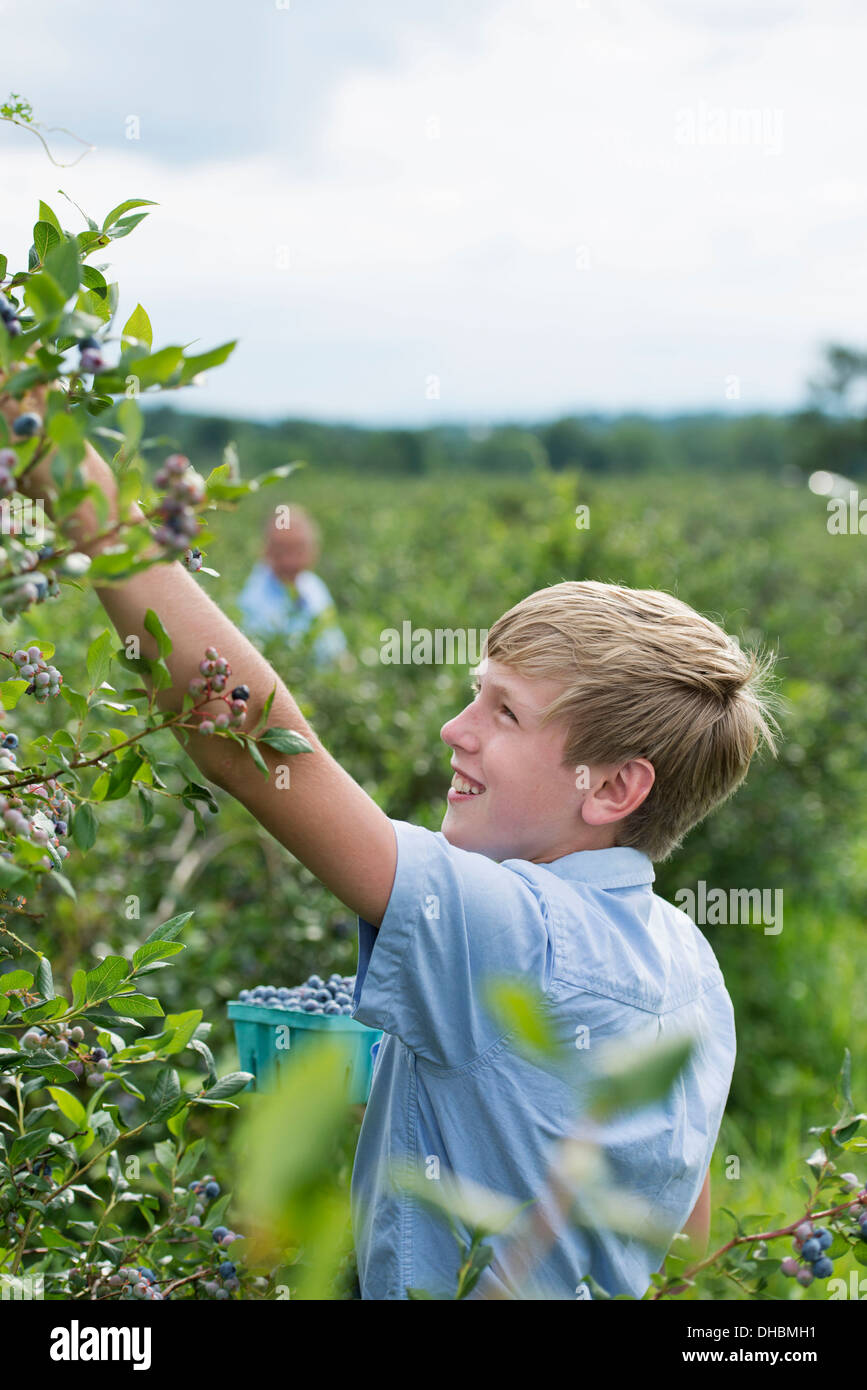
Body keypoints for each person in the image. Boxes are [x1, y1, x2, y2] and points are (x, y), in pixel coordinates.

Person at [7, 397, 781, 1300]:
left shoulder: (515, 932)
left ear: (611, 788)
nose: (455, 729)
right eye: (472, 693)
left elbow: (247, 741)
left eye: (504, 712)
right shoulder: (691, 965)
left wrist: (72, 481)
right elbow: (677, 1239)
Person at [237, 507, 347, 667]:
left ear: (313, 551)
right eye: (281, 551)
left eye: (298, 551)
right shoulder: (253, 596)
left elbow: (336, 647)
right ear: (266, 551)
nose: (290, 561)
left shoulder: (314, 586)